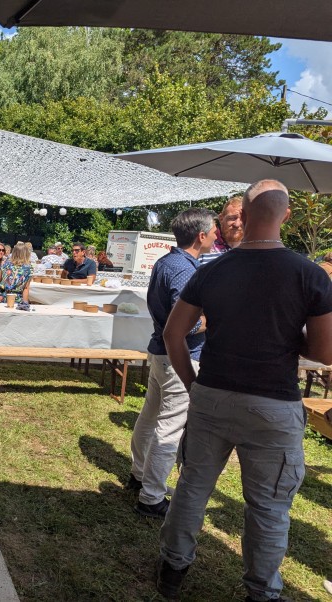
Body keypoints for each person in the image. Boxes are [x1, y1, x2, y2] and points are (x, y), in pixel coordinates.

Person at [156, 180, 332, 602]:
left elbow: (172, 333)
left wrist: (192, 385)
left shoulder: (212, 269)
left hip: (213, 394)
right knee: (269, 505)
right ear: (286, 216)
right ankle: (261, 590)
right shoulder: (309, 273)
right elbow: (325, 351)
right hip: (274, 403)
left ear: (244, 216)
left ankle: (172, 569)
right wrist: (291, 339)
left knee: (192, 486)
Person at [127, 208, 217, 519]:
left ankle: (139, 474)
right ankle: (151, 497)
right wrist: (213, 319)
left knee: (151, 416)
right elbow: (187, 325)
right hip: (181, 356)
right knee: (169, 427)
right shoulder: (184, 270)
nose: (217, 235)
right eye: (214, 230)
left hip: (162, 352)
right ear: (201, 236)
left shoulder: (169, 261)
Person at [199, 195, 243, 263]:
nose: (237, 224)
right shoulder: (204, 246)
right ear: (221, 218)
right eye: (232, 218)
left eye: (243, 219)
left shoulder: (255, 247)